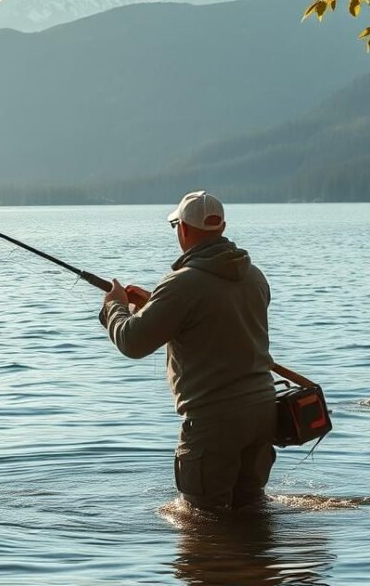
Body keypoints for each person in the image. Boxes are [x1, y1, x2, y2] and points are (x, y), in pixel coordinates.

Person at [99, 191, 276, 511]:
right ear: (220, 229)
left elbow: (132, 342)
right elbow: (217, 321)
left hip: (213, 421)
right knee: (251, 514)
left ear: (183, 229)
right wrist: (156, 306)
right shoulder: (254, 276)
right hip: (263, 414)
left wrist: (115, 307)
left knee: (201, 522)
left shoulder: (182, 284)